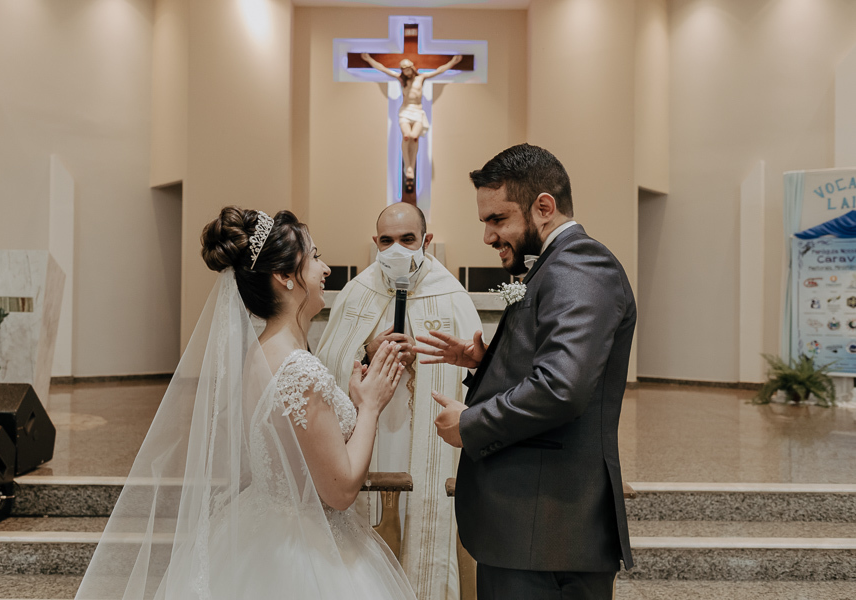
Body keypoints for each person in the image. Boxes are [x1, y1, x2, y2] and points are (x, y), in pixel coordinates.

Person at [75, 207, 417, 599]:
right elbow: (339, 492)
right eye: (316, 257)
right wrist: (370, 406)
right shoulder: (298, 370)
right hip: (304, 554)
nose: (325, 270)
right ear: (285, 277)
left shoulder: (260, 353)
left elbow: (297, 455)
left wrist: (355, 401)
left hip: (260, 529)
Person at [416, 144, 636, 600]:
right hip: (531, 532)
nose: (488, 236)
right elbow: (553, 362)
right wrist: (489, 361)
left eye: (498, 219)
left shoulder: (580, 265)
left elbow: (561, 387)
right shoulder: (556, 266)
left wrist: (471, 423)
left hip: (548, 532)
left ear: (543, 207)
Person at [316, 202, 482, 600]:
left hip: (424, 440)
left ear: (426, 241)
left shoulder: (451, 295)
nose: (396, 249)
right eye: (386, 241)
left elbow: (474, 375)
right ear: (375, 242)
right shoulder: (358, 291)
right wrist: (369, 351)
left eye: (407, 240)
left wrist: (421, 361)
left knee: (423, 519)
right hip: (369, 440)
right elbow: (324, 368)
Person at [361, 53, 462, 192]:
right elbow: (383, 69)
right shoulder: (401, 80)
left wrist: (453, 62)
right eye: (403, 70)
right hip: (405, 111)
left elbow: (439, 70)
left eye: (408, 69)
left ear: (412, 68)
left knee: (414, 138)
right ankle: (407, 167)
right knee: (406, 136)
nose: (406, 72)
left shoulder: (421, 78)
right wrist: (369, 59)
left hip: (418, 111)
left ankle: (411, 167)